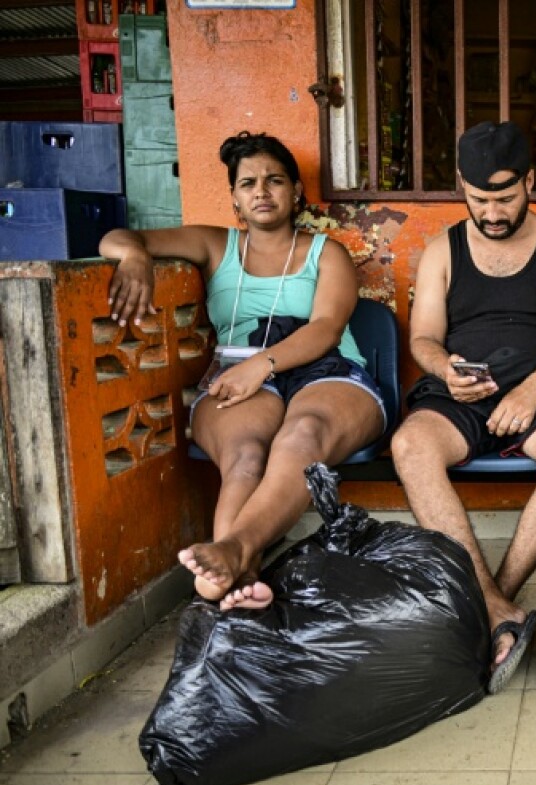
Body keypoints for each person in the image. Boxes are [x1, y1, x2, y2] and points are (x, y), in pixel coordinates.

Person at [100, 131, 386, 612]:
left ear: (296, 191)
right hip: (238, 373)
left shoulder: (325, 252)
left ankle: (234, 554)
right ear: (234, 196)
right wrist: (134, 256)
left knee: (303, 435)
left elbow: (326, 329)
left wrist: (263, 364)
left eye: (275, 180)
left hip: (327, 370)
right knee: (245, 455)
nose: (261, 191)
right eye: (248, 182)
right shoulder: (215, 244)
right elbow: (116, 236)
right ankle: (235, 573)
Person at [391, 121, 536, 693]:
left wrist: (530, 391)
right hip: (463, 392)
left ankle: (496, 603)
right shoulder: (443, 250)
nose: (492, 212)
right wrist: (446, 371)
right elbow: (422, 339)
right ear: (461, 188)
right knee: (410, 444)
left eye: (505, 198)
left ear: (531, 182)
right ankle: (497, 612)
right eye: (479, 199)